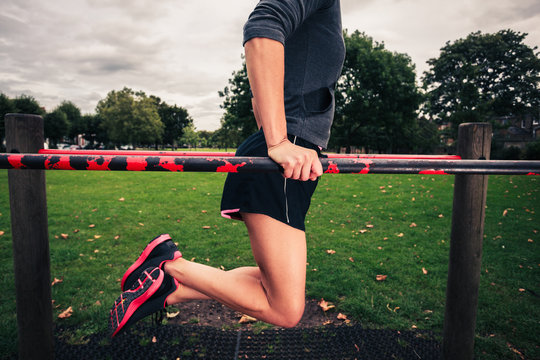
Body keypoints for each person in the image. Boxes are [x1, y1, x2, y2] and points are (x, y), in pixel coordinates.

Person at [109, 0, 345, 337]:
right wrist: (278, 142)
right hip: (282, 159)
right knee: (285, 308)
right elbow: (263, 27)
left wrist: (277, 138)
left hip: (285, 155)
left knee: (271, 282)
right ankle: (168, 265)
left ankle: (166, 285)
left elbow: (258, 96)